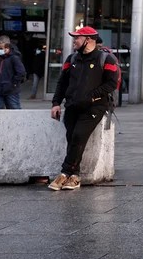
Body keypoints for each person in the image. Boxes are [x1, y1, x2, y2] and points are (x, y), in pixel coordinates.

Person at [48, 26, 120, 190]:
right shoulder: (71, 59)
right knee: (72, 138)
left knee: (79, 136)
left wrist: (92, 95)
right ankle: (75, 176)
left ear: (88, 40)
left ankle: (65, 173)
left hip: (94, 107)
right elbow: (62, 83)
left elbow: (111, 83)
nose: (74, 41)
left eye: (77, 38)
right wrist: (56, 103)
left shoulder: (106, 59)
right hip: (72, 106)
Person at [0, 36, 26, 109]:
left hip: (10, 88)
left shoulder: (14, 57)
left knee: (14, 108)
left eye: (0, 47)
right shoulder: (0, 56)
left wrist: (14, 83)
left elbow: (21, 72)